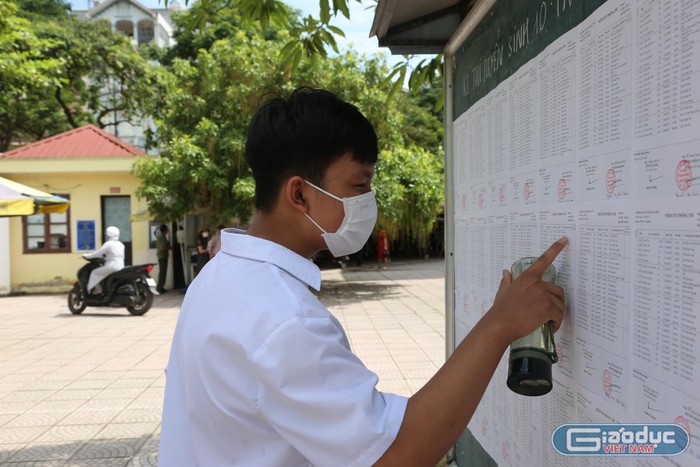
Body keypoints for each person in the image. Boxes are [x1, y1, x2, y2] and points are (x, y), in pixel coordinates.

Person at [159, 87, 567, 467]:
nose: (367, 203)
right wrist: (500, 324)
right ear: (299, 194)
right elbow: (395, 453)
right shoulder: (282, 320)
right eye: (358, 185)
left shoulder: (221, 275)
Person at [83, 226, 125, 295]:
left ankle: (98, 289)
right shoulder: (121, 244)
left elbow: (98, 253)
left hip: (112, 266)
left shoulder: (108, 244)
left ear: (109, 234)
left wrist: (87, 256)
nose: (106, 235)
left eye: (106, 234)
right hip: (121, 266)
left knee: (94, 272)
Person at [156, 224, 171, 294]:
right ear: (165, 230)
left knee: (163, 272)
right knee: (162, 272)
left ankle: (161, 287)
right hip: (162, 257)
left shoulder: (163, 236)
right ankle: (159, 288)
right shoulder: (162, 237)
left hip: (163, 256)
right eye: (167, 229)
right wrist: (169, 248)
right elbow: (162, 248)